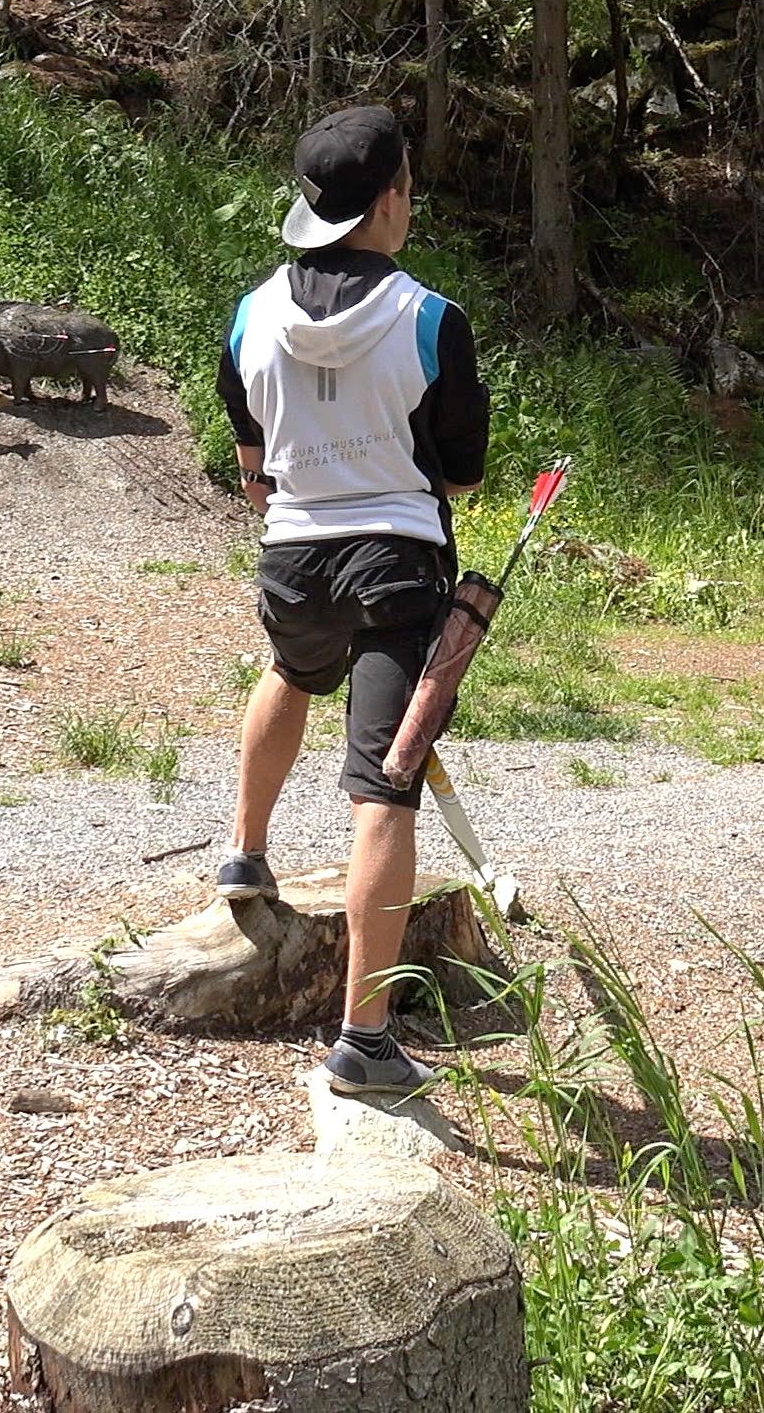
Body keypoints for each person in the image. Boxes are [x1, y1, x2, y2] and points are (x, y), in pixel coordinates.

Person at [212, 106, 489, 1097]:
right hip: (395, 568)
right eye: (408, 185)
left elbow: (252, 467)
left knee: (291, 670)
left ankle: (243, 855)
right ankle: (363, 1041)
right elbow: (461, 476)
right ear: (386, 203)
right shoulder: (430, 320)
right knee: (385, 786)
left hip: (292, 561)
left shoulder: (250, 314)